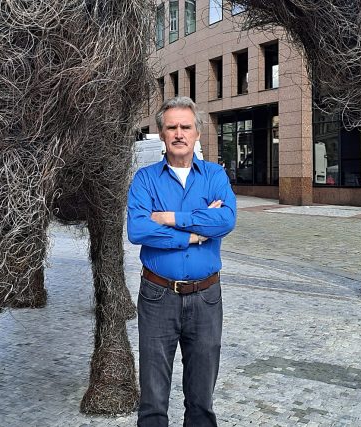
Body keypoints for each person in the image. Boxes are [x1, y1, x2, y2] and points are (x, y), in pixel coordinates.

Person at [127, 96, 237, 426]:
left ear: (197, 133)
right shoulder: (145, 179)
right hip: (157, 296)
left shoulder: (215, 175)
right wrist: (192, 233)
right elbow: (138, 228)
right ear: (161, 133)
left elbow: (226, 221)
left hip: (206, 298)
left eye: (185, 127)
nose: (179, 133)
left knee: (202, 397)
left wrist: (172, 217)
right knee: (153, 396)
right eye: (172, 127)